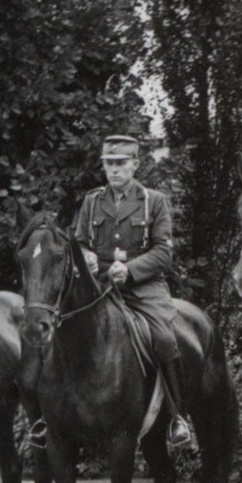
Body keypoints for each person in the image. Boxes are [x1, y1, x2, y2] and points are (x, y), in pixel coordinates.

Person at [73, 134, 193, 448]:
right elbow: (80, 242)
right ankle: (55, 412)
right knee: (63, 327)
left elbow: (163, 253)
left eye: (120, 163)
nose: (113, 170)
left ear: (135, 164)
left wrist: (131, 270)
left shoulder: (153, 201)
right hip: (99, 287)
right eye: (108, 163)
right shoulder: (92, 201)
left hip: (143, 289)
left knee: (165, 338)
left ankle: (178, 416)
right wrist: (85, 255)